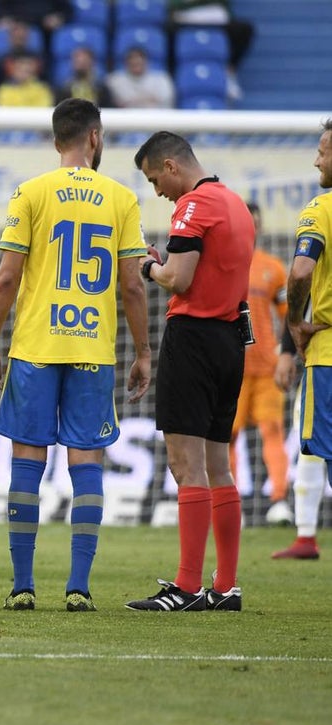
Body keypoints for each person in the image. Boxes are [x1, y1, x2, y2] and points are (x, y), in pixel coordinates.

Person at [0, 97, 151, 613]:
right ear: (95, 138)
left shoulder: (30, 192)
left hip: (35, 348)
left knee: (28, 459)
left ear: (57, 140)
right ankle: (78, 586)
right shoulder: (122, 198)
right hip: (93, 350)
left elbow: (8, 277)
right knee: (86, 461)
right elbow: (133, 287)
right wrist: (143, 352)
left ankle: (23, 585)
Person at [128, 131, 255, 612]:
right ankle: (226, 587)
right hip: (230, 342)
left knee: (185, 465)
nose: (158, 190)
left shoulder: (194, 206)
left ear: (171, 165)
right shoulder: (237, 204)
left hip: (194, 340)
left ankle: (185, 587)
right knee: (219, 465)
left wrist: (148, 267)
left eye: (155, 178)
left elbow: (178, 279)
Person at [283, 118, 332, 558]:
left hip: (329, 354)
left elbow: (300, 272)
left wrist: (295, 323)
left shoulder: (321, 209)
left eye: (323, 150)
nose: (317, 159)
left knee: (326, 452)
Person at [228, 201, 291, 524]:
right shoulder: (224, 265)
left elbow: (288, 317)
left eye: (255, 223)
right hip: (232, 369)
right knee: (228, 437)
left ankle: (279, 499)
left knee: (272, 430)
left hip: (266, 369)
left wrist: (286, 354)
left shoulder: (273, 268)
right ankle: (230, 504)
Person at [273, 326, 324, 560]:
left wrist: (285, 353)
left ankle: (306, 536)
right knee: (309, 444)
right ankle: (305, 535)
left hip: (323, 362)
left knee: (310, 443)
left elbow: (298, 295)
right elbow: (299, 300)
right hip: (321, 358)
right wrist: (286, 351)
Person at [104, 47, 175, 110]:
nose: (135, 65)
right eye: (132, 63)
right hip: (124, 121)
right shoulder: (114, 80)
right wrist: (148, 100)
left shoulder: (162, 79)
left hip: (156, 120)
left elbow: (166, 102)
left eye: (138, 63)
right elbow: (114, 103)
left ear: (146, 62)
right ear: (126, 63)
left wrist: (133, 101)